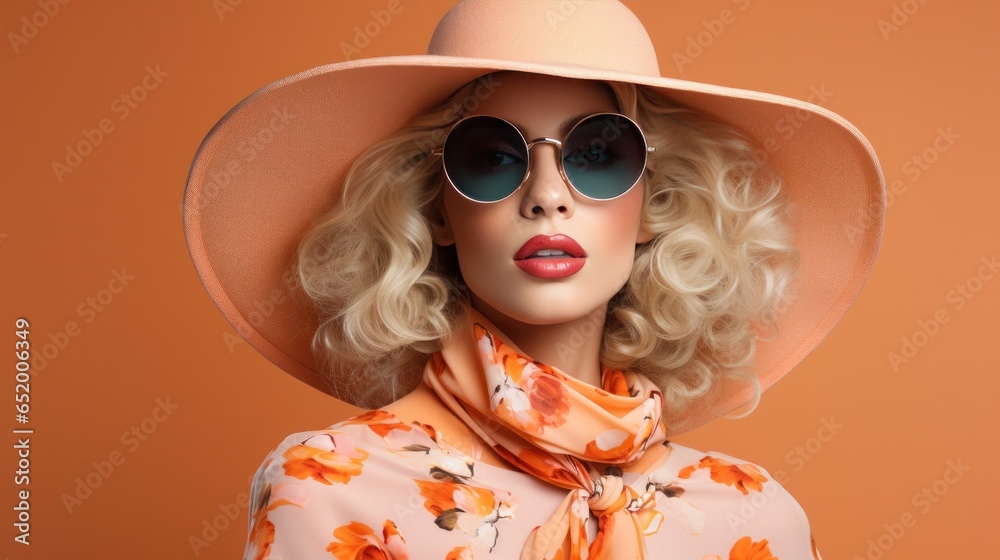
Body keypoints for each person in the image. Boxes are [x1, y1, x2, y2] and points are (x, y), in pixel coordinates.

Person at [183, 1, 884, 558]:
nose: (547, 195)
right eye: (492, 157)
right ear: (437, 210)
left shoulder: (753, 518)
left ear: (655, 203)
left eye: (599, 153)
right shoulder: (333, 490)